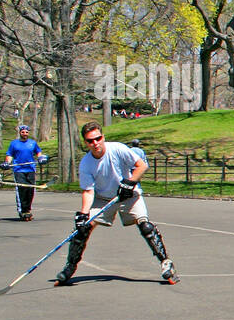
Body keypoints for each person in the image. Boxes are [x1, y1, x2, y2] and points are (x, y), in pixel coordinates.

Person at [55, 122, 178, 285]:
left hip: (128, 194)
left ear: (103, 137)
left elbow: (142, 165)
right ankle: (70, 267)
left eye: (98, 138)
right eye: (90, 141)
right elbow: (88, 191)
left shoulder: (118, 149)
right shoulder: (86, 163)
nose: (95, 143)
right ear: (86, 142)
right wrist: (84, 214)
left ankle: (166, 263)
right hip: (103, 199)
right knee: (82, 229)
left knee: (145, 226)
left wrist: (130, 182)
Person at [2, 124, 47, 220]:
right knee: (22, 190)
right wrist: (7, 162)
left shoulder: (32, 143)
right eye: (23, 132)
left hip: (30, 169)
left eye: (26, 132)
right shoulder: (14, 143)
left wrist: (40, 158)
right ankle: (22, 210)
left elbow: (38, 152)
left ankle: (28, 210)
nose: (25, 134)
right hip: (19, 170)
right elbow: (9, 154)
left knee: (30, 190)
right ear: (20, 133)